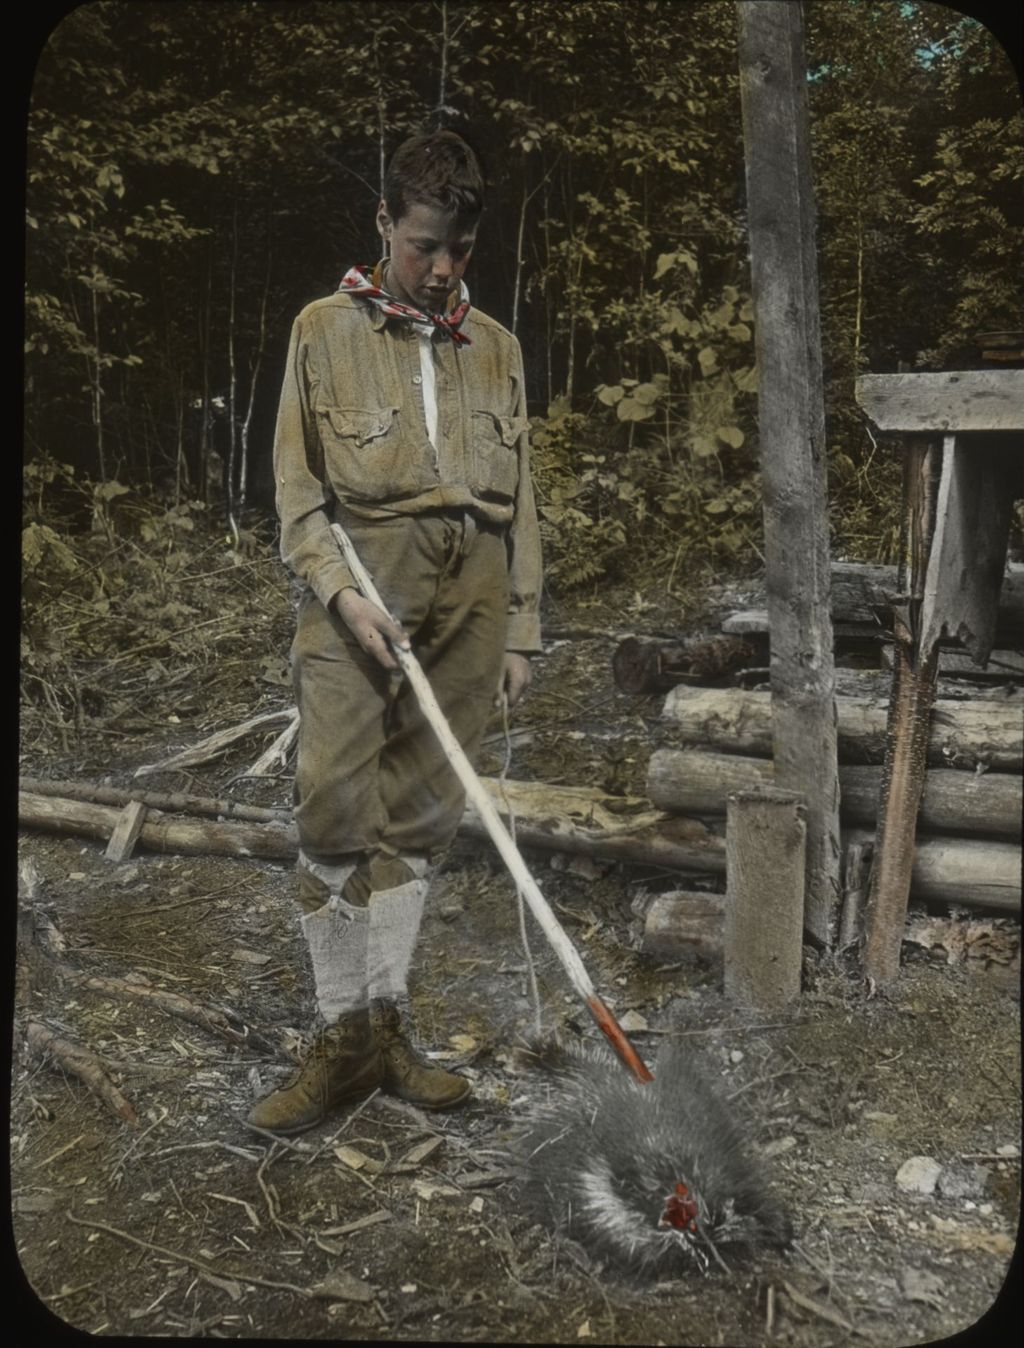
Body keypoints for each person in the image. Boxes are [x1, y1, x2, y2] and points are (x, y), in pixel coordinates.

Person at [249, 129, 542, 1135]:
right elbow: (294, 495)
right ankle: (338, 1040)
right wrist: (339, 593)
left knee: (421, 819)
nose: (442, 268)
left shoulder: (496, 344)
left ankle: (386, 1032)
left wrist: (520, 630)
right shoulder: (322, 329)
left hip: (477, 588)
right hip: (364, 582)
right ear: (383, 223)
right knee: (332, 810)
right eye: (423, 246)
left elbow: (525, 496)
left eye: (459, 249)